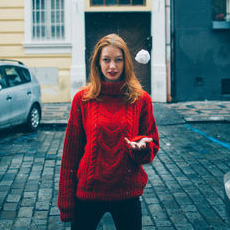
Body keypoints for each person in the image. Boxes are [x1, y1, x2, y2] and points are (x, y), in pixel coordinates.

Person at [58, 34, 159, 230]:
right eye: (106, 60)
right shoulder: (82, 100)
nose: (112, 66)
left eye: (118, 60)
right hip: (88, 194)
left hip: (127, 193)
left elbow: (152, 143)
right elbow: (70, 156)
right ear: (98, 63)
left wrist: (141, 147)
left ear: (126, 63)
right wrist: (66, 203)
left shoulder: (141, 99)